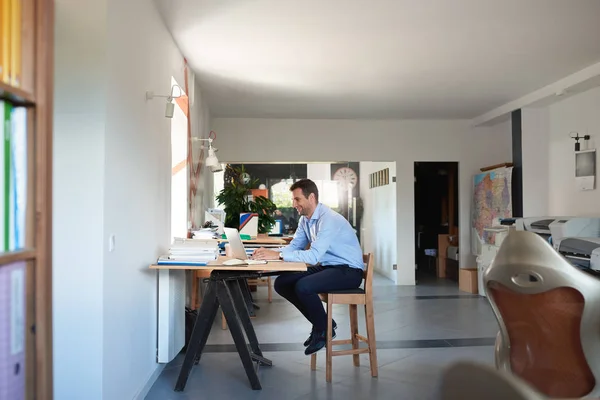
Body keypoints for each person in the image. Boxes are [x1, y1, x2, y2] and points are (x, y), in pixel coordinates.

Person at [252, 179, 365, 355]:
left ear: (311, 197)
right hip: (329, 267)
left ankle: (322, 329)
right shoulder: (306, 220)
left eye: (297, 199)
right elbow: (294, 246)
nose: (294, 204)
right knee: (282, 283)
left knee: (304, 286)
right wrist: (268, 252)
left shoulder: (329, 219)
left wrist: (279, 255)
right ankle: (325, 324)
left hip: (348, 271)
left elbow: (313, 257)